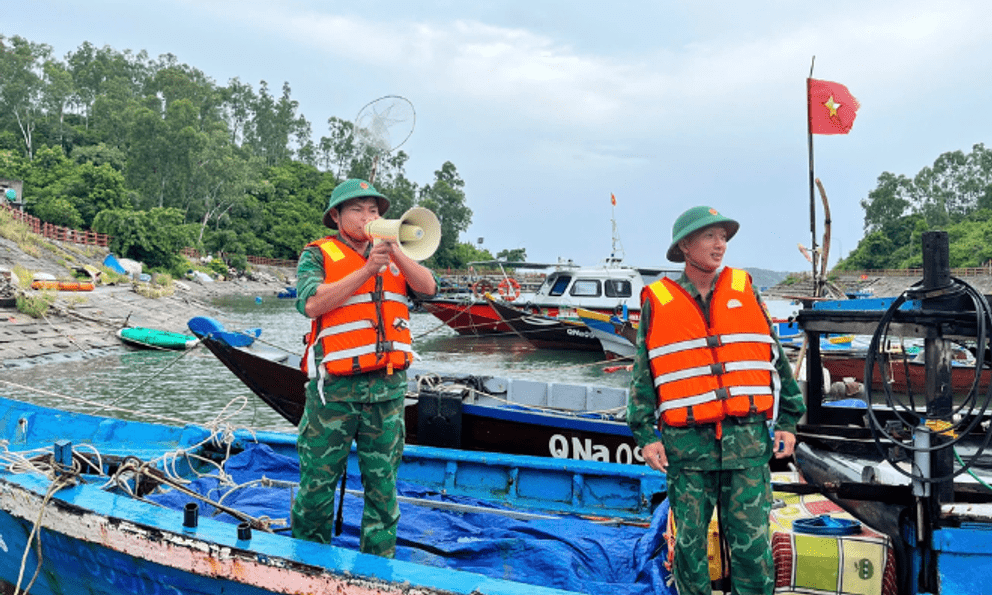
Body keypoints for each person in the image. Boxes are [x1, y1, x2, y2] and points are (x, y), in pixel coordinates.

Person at [627, 206, 806, 595]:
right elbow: (644, 374)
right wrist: (645, 435)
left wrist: (790, 420)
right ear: (685, 246)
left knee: (754, 549)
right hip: (687, 450)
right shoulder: (657, 300)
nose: (720, 244)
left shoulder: (745, 289)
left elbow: (774, 360)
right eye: (709, 236)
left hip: (746, 444)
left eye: (723, 236)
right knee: (690, 551)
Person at [291, 178, 437, 557]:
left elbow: (428, 287)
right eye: (357, 209)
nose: (367, 216)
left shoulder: (393, 257)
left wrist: (395, 253)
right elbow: (311, 304)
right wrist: (366, 270)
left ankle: (378, 567)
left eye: (374, 210)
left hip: (387, 392)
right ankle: (308, 565)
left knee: (383, 487)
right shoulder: (318, 255)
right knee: (317, 486)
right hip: (334, 393)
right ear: (336, 216)